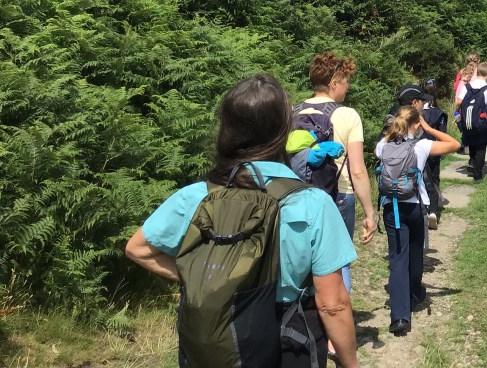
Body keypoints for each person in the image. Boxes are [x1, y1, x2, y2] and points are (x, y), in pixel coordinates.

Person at [125, 75, 361, 368]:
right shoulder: (313, 203)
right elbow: (333, 304)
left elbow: (138, 249)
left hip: (217, 343)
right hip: (290, 342)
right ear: (283, 131)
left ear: (227, 129)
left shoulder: (196, 196)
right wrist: (350, 363)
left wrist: (207, 279)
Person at [377, 86, 461, 336]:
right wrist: (428, 127)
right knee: (415, 254)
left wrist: (397, 129)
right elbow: (454, 144)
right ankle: (415, 294)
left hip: (391, 207)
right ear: (416, 124)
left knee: (397, 259)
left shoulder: (383, 146)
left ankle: (399, 318)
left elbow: (382, 148)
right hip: (415, 206)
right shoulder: (422, 146)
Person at [295, 52, 377, 297]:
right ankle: (339, 318)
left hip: (297, 196)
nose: (348, 86)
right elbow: (358, 170)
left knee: (303, 262)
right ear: (334, 83)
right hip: (337, 195)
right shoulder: (347, 115)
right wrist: (370, 213)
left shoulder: (293, 111)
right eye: (346, 81)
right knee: (339, 264)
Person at [455, 62, 487, 179]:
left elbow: (458, 102)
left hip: (468, 121)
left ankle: (472, 163)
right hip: (481, 122)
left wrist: (457, 112)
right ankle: (477, 173)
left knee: (472, 143)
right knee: (481, 147)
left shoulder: (467, 87)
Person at [419, 78, 448, 230]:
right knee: (434, 179)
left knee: (421, 178)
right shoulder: (439, 113)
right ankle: (433, 211)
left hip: (418, 149)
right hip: (434, 149)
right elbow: (443, 133)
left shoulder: (416, 114)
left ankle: (423, 207)